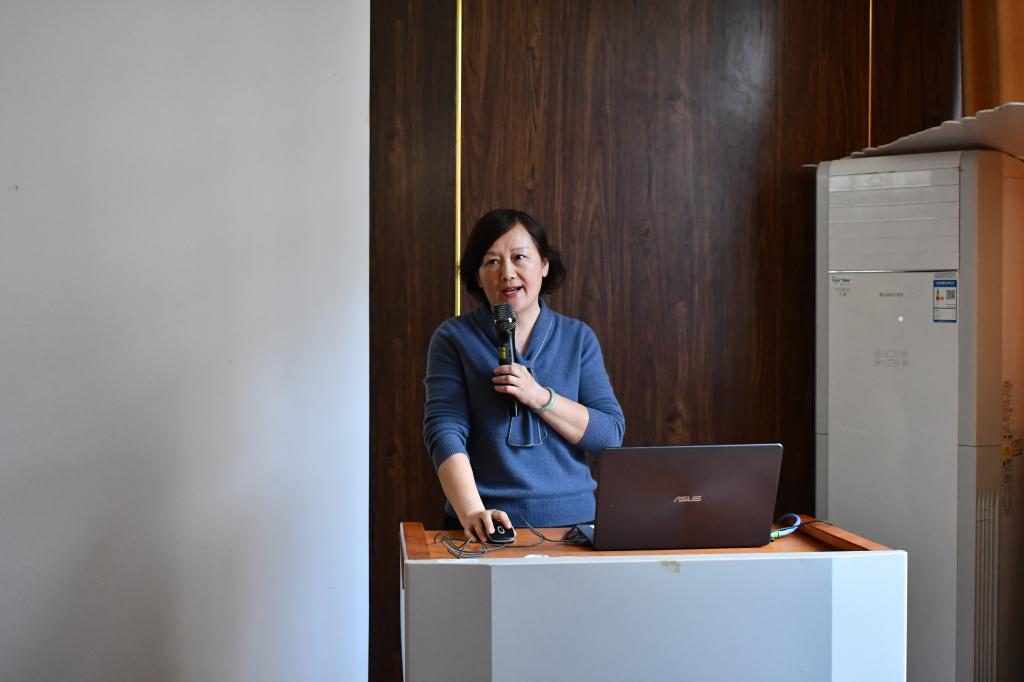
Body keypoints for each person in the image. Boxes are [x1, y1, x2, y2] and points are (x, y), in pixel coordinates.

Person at [423, 208, 625, 542]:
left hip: (575, 526)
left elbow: (609, 437)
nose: (507, 273)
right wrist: (472, 512)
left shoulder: (577, 338)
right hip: (487, 527)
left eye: (519, 257)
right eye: (492, 262)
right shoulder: (453, 338)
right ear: (477, 276)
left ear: (544, 265)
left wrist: (540, 397)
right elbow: (444, 431)